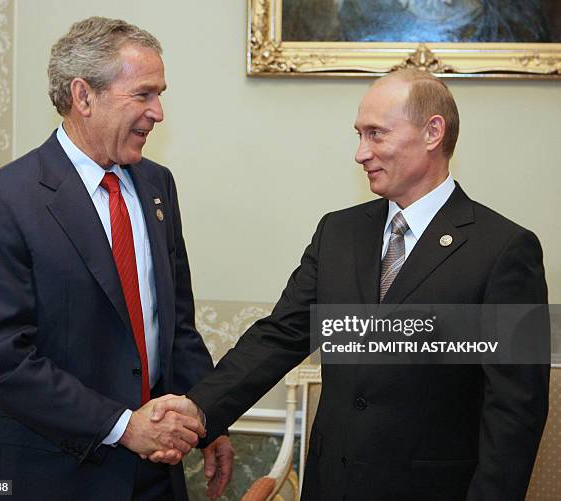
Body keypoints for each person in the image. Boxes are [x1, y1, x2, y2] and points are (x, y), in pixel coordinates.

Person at [152, 69, 549, 500]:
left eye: (376, 134)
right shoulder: (339, 234)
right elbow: (280, 335)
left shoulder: (505, 250)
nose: (361, 153)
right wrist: (198, 408)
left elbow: (514, 413)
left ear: (433, 132)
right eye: (359, 135)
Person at [0, 16, 233, 501]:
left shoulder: (156, 186)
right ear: (83, 96)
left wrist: (207, 417)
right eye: (144, 94)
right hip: (41, 476)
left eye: (160, 94)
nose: (159, 112)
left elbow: (177, 327)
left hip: (153, 475)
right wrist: (124, 426)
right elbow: (5, 361)